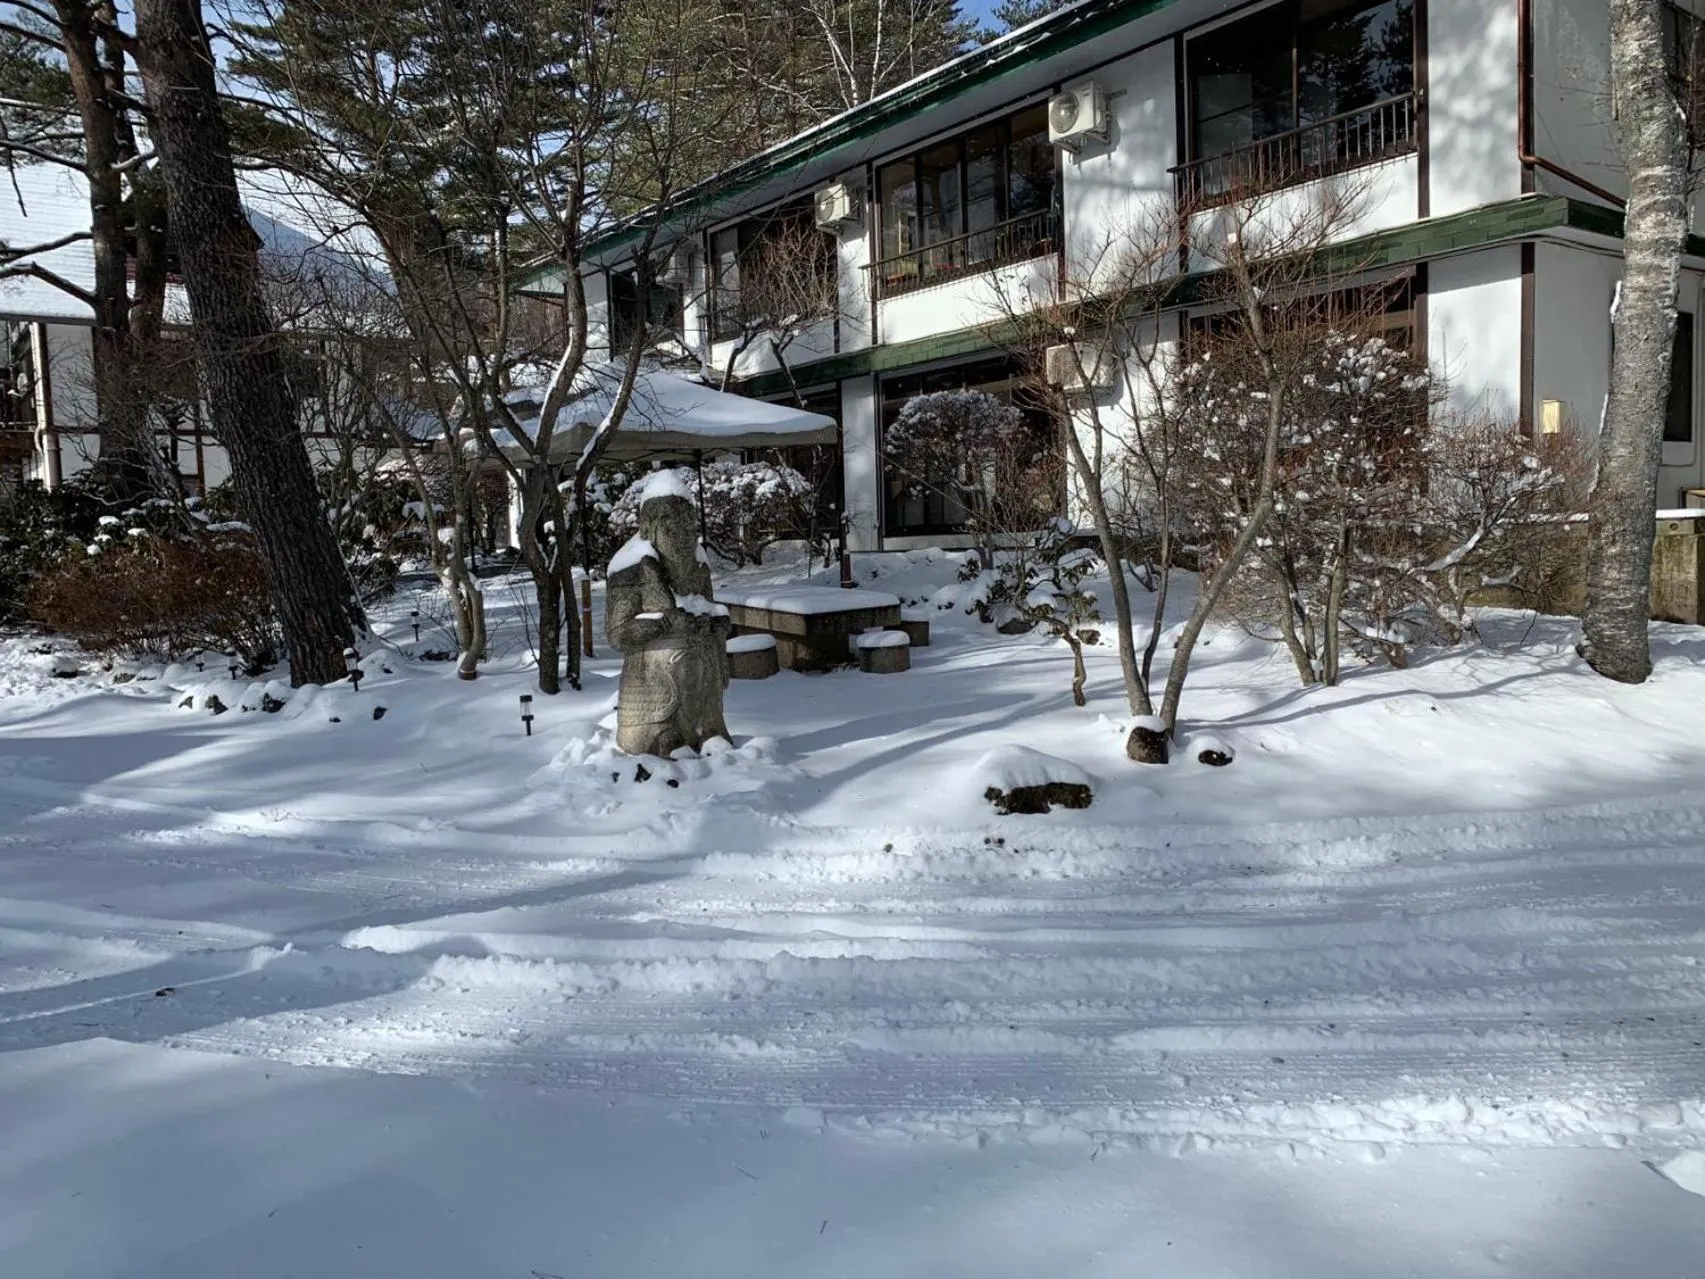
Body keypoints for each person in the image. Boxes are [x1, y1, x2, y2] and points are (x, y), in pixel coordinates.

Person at [604, 486, 731, 756]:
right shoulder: (628, 571)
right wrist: (661, 625)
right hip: (652, 692)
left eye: (689, 532)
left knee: (710, 730)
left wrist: (718, 624)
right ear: (650, 530)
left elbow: (708, 606)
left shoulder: (698, 567)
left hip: (700, 683)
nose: (684, 541)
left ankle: (708, 730)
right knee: (663, 740)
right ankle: (664, 733)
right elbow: (617, 634)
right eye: (673, 532)